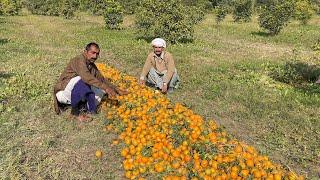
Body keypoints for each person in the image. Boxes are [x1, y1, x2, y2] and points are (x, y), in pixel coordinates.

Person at [53, 42, 127, 122]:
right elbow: (87, 78)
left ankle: (84, 108)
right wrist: (106, 88)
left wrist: (116, 89)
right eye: (93, 53)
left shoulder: (91, 65)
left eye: (97, 54)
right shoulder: (79, 60)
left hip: (73, 93)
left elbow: (102, 79)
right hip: (63, 92)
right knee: (83, 80)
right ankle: (75, 113)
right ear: (85, 51)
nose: (95, 56)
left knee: (100, 92)